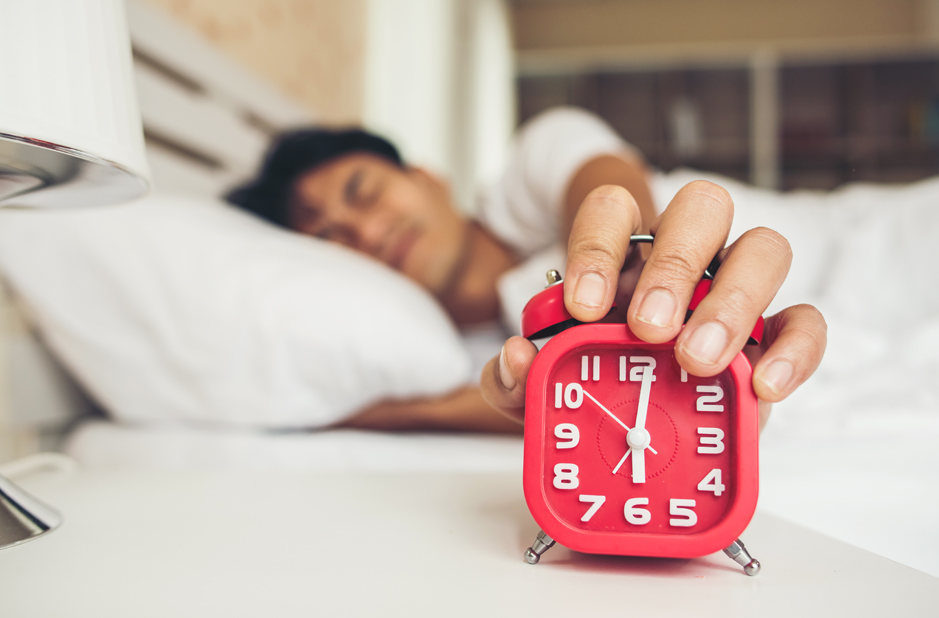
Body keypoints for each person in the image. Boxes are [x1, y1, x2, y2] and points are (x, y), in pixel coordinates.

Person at [228, 107, 827, 434]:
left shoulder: (535, 161)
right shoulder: (424, 353)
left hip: (808, 244)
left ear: (426, 177)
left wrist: (631, 263)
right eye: (329, 237)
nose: (364, 231)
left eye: (364, 192)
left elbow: (611, 196)